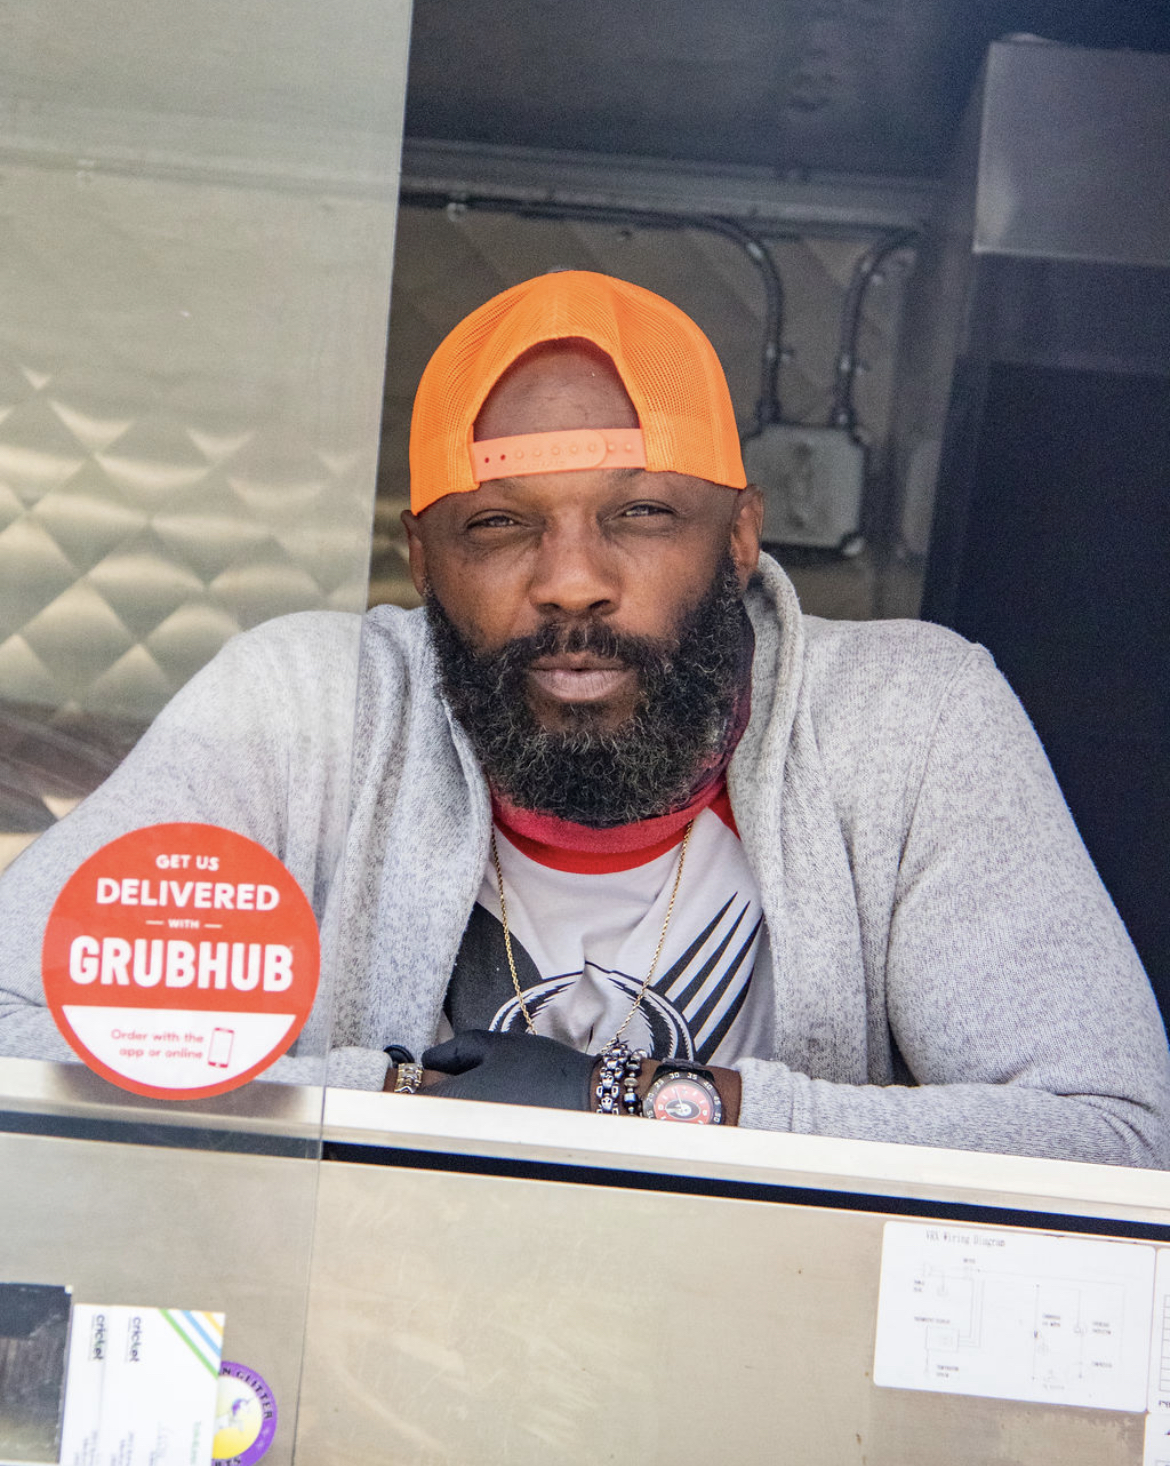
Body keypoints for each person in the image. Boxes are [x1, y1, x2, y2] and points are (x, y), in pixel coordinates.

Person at [0, 271, 1166, 1162]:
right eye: (501, 525)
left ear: (742, 534)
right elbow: (16, 1024)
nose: (571, 579)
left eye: (644, 513)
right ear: (422, 557)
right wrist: (400, 1098)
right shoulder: (305, 710)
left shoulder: (913, 724)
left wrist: (660, 1103)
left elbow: (1114, 1131)